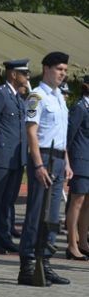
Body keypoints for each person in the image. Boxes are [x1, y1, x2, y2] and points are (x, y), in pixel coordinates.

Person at [17, 52, 72, 285]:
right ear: (47, 69)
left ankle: (45, 260)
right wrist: (38, 164)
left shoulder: (59, 96)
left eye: (65, 70)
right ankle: (28, 264)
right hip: (44, 158)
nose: (63, 73)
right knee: (37, 211)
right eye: (59, 69)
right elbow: (31, 131)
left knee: (52, 214)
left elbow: (62, 134)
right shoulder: (37, 97)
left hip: (58, 157)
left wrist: (67, 162)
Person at [0, 59, 30, 254]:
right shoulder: (0, 95)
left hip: (16, 158)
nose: (27, 77)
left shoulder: (18, 98)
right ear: (13, 74)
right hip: (1, 156)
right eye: (24, 73)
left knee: (8, 200)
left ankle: (4, 236)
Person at [66, 75, 89, 260]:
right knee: (77, 202)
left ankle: (83, 242)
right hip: (80, 161)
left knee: (87, 204)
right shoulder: (79, 108)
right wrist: (68, 161)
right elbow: (69, 136)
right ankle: (72, 244)